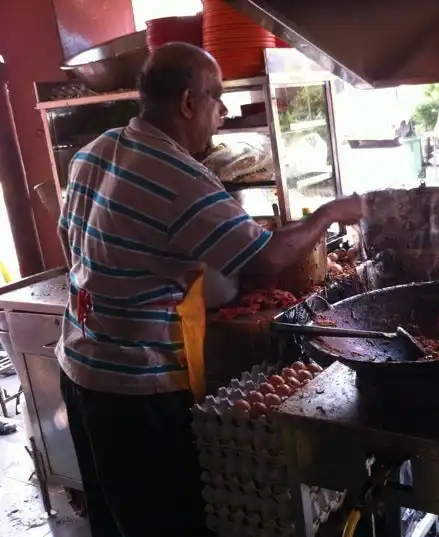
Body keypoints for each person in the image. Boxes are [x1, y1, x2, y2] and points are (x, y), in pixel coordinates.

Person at [56, 42, 365, 537]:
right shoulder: (176, 174)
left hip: (79, 365)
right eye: (217, 100)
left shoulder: (97, 149)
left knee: (114, 513)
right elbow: (265, 257)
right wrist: (329, 215)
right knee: (164, 519)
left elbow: (71, 239)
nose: (221, 114)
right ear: (186, 103)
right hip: (136, 388)